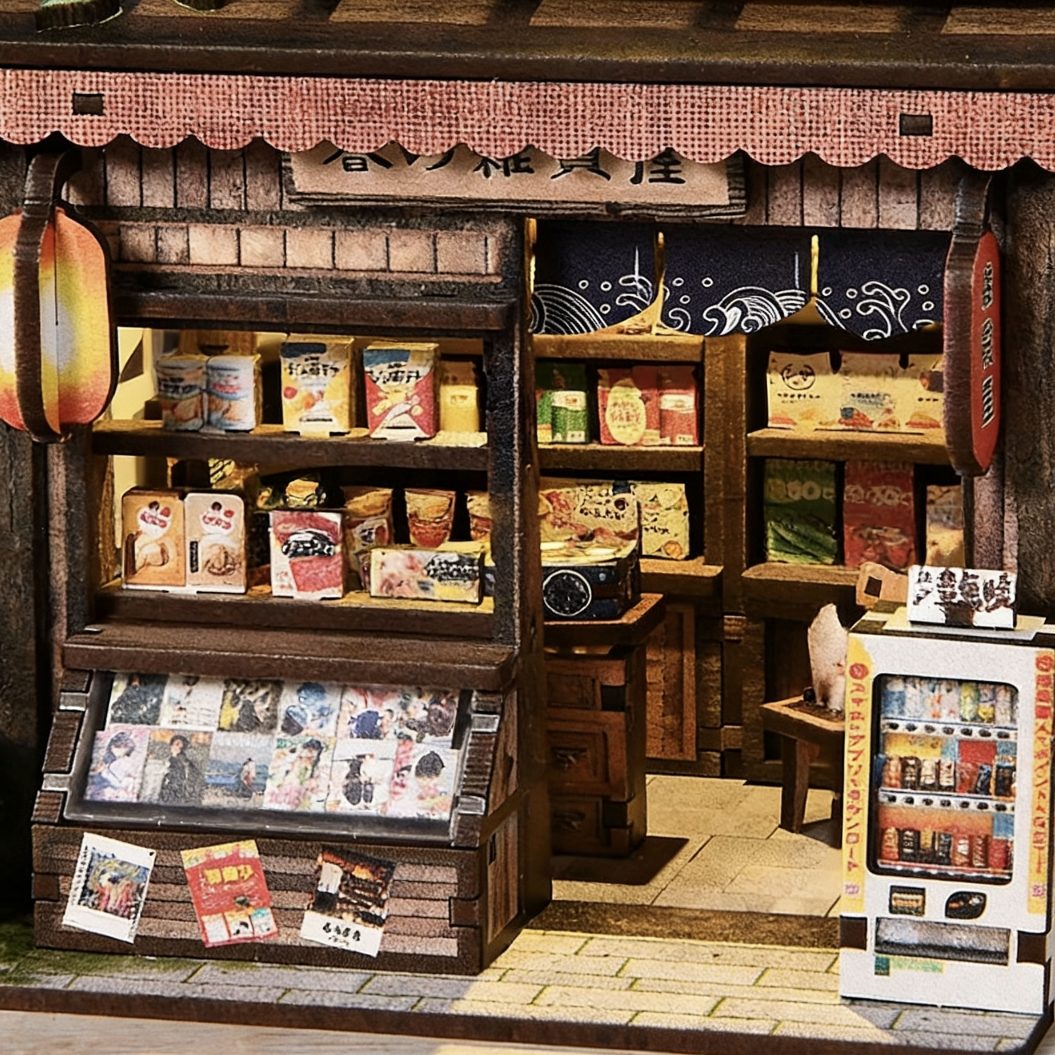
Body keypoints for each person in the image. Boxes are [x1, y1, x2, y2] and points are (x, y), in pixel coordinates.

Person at [86, 731, 140, 801]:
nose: (118, 750)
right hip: (99, 795)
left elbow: (121, 784)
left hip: (118, 797)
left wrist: (104, 772)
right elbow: (94, 779)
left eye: (123, 747)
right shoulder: (107, 759)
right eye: (116, 746)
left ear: (128, 749)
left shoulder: (127, 763)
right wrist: (95, 773)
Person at [158, 734, 204, 805]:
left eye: (181, 746)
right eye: (177, 744)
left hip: (179, 794)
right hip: (166, 793)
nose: (179, 747)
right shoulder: (165, 761)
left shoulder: (186, 763)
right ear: (171, 745)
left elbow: (193, 776)